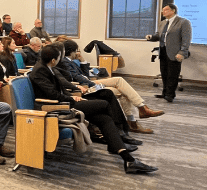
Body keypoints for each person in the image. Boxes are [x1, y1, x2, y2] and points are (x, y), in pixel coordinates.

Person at [29, 45, 156, 174]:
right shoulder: (40, 71)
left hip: (64, 102)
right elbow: (52, 95)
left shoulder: (47, 67)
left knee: (104, 118)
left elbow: (59, 90)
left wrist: (72, 96)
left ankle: (126, 158)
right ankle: (117, 138)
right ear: (53, 60)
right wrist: (73, 98)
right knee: (104, 104)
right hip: (56, 107)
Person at [59, 39, 163, 134]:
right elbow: (75, 77)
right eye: (77, 51)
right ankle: (141, 110)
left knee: (122, 91)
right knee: (119, 80)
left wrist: (82, 60)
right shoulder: (64, 61)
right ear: (72, 51)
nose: (78, 53)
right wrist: (93, 84)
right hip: (85, 86)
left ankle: (133, 120)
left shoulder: (70, 61)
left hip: (88, 82)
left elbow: (84, 74)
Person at [146, 3, 191, 103]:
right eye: (163, 10)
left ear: (173, 10)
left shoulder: (183, 22)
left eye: (165, 10)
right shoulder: (163, 23)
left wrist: (182, 52)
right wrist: (151, 37)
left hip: (175, 53)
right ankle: (164, 93)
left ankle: (170, 95)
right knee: (164, 73)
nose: (163, 12)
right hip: (163, 51)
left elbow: (186, 39)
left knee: (173, 74)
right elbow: (158, 35)